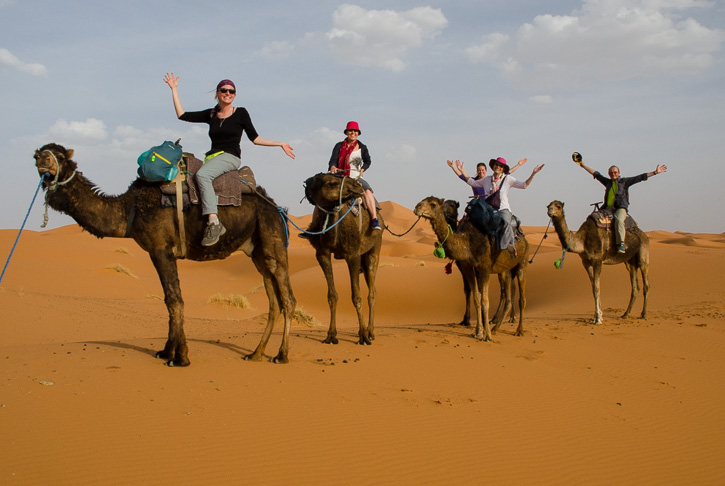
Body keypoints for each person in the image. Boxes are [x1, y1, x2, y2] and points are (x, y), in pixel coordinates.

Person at [163, 73, 295, 246]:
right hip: (212, 158)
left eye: (232, 91)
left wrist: (279, 144)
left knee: (202, 176)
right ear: (217, 93)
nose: (228, 93)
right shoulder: (211, 114)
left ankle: (214, 222)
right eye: (224, 90)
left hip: (230, 157)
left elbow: (255, 138)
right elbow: (182, 115)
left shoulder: (240, 113)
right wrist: (174, 89)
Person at [573, 152, 667, 253]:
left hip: (620, 208)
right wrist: (582, 165)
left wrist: (655, 172)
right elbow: (595, 173)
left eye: (615, 172)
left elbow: (640, 177)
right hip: (607, 208)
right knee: (593, 218)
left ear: (618, 173)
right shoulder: (607, 182)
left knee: (618, 220)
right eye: (611, 173)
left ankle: (621, 243)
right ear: (609, 174)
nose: (613, 174)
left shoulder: (624, 182)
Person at [462, 157, 545, 253]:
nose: (498, 167)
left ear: (503, 169)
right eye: (496, 164)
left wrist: (533, 173)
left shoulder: (508, 179)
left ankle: (507, 245)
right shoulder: (486, 180)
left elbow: (524, 185)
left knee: (505, 222)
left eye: (501, 166)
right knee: (472, 221)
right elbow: (471, 182)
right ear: (493, 166)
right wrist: (461, 169)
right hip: (488, 210)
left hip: (503, 209)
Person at [328, 121, 381, 230]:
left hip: (355, 177)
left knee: (368, 191)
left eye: (355, 131)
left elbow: (368, 161)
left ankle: (375, 219)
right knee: (322, 192)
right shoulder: (339, 146)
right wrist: (333, 167)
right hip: (339, 176)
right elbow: (333, 160)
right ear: (346, 132)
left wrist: (363, 169)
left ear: (358, 133)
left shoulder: (362, 147)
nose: (353, 133)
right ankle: (314, 226)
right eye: (350, 130)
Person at [447, 158, 527, 196]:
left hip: (489, 204)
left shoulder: (490, 180)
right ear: (476, 171)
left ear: (486, 170)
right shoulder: (474, 181)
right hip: (477, 205)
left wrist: (519, 165)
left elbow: (508, 172)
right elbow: (462, 176)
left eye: (482, 170)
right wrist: (453, 166)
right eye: (479, 170)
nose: (481, 172)